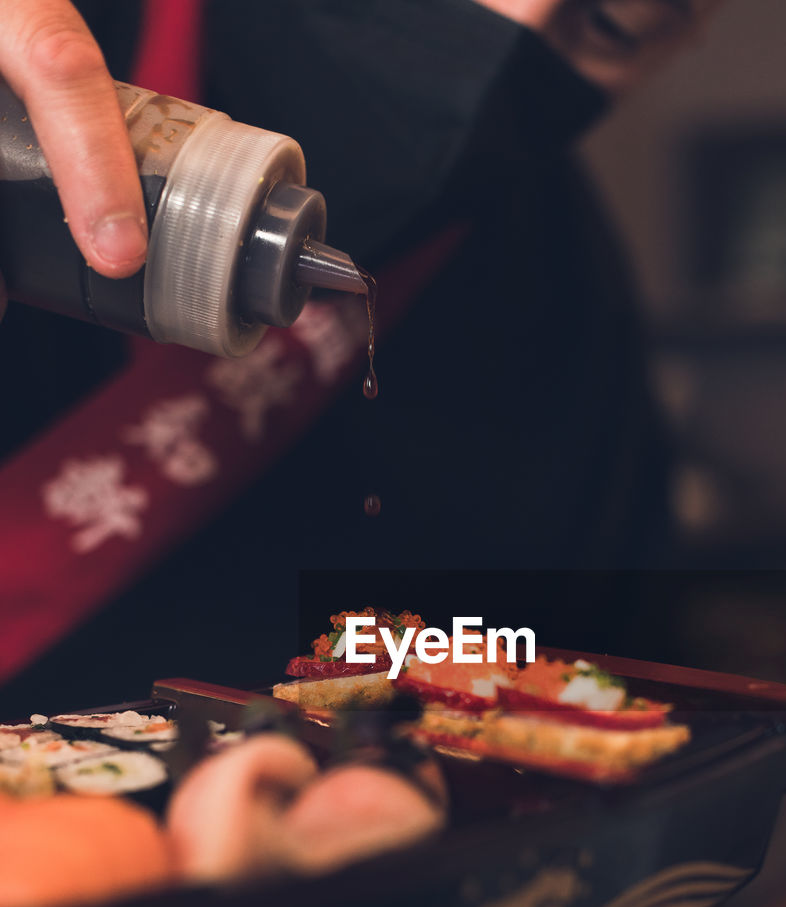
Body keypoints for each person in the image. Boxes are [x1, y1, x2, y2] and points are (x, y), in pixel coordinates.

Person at [0, 0, 724, 715]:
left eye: (610, 21)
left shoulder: (562, 291)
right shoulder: (42, 51)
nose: (507, 28)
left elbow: (595, 698)